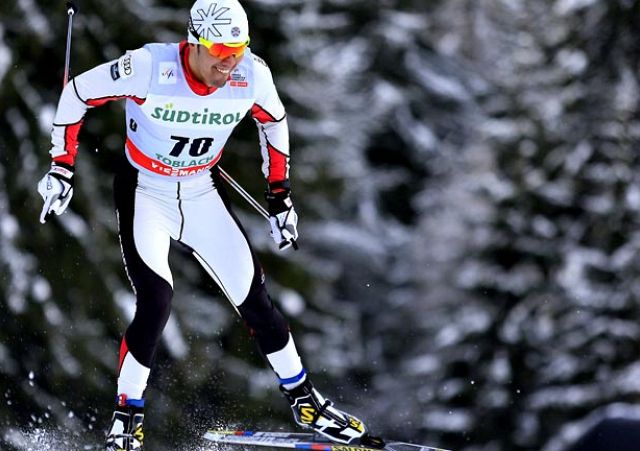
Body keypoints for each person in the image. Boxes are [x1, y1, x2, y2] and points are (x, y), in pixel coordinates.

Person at [37, 1, 382, 450]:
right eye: (220, 50)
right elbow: (77, 93)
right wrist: (61, 167)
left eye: (237, 50)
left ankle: (306, 403)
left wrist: (280, 197)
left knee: (255, 297)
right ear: (194, 42)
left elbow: (275, 123)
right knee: (156, 300)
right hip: (146, 191)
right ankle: (126, 419)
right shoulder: (149, 67)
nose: (229, 61)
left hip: (202, 191)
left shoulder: (251, 75)